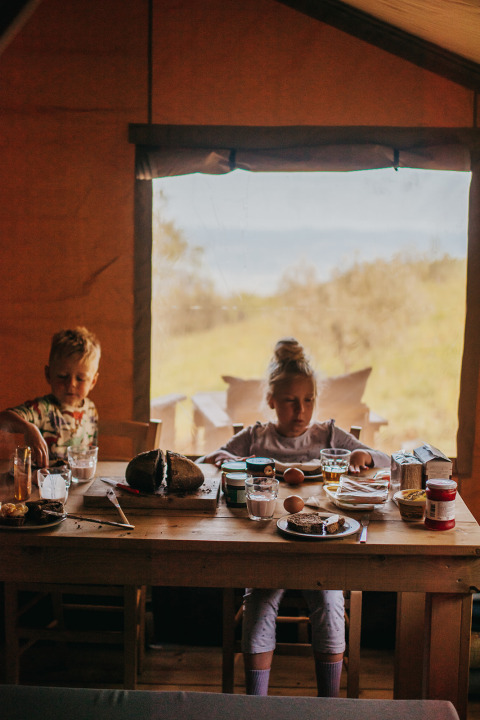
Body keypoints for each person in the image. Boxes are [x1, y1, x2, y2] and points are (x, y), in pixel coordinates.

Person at [203, 337, 390, 697]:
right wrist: (228, 459)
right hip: (265, 548)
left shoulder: (329, 435)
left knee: (330, 601)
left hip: (322, 547)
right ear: (272, 401)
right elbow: (213, 457)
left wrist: (363, 457)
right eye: (290, 401)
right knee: (258, 601)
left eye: (308, 401)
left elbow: (380, 458)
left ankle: (328, 704)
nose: (300, 410)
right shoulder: (257, 437)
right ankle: (255, 704)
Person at [0, 326, 101, 467]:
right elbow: (3, 418)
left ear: (93, 382)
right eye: (62, 376)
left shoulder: (91, 410)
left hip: (79, 485)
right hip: (45, 485)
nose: (71, 384)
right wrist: (28, 428)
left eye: (80, 378)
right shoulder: (42, 409)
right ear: (48, 375)